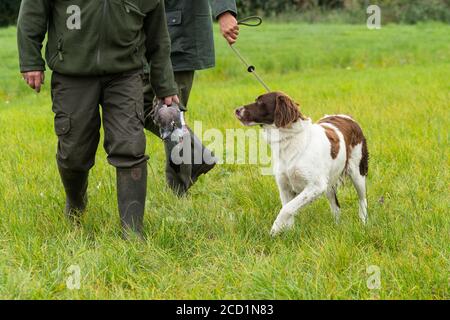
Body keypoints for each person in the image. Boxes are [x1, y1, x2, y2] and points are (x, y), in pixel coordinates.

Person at [17, 0, 179, 238]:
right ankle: (75, 204)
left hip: (125, 74)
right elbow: (32, 11)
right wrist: (31, 60)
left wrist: (164, 85)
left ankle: (132, 232)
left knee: (130, 145)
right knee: (74, 152)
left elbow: (158, 37)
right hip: (72, 72)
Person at [144, 0, 239, 196]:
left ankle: (178, 192)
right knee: (140, 107)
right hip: (144, 35)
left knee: (168, 113)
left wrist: (224, 11)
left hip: (178, 32)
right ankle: (198, 156)